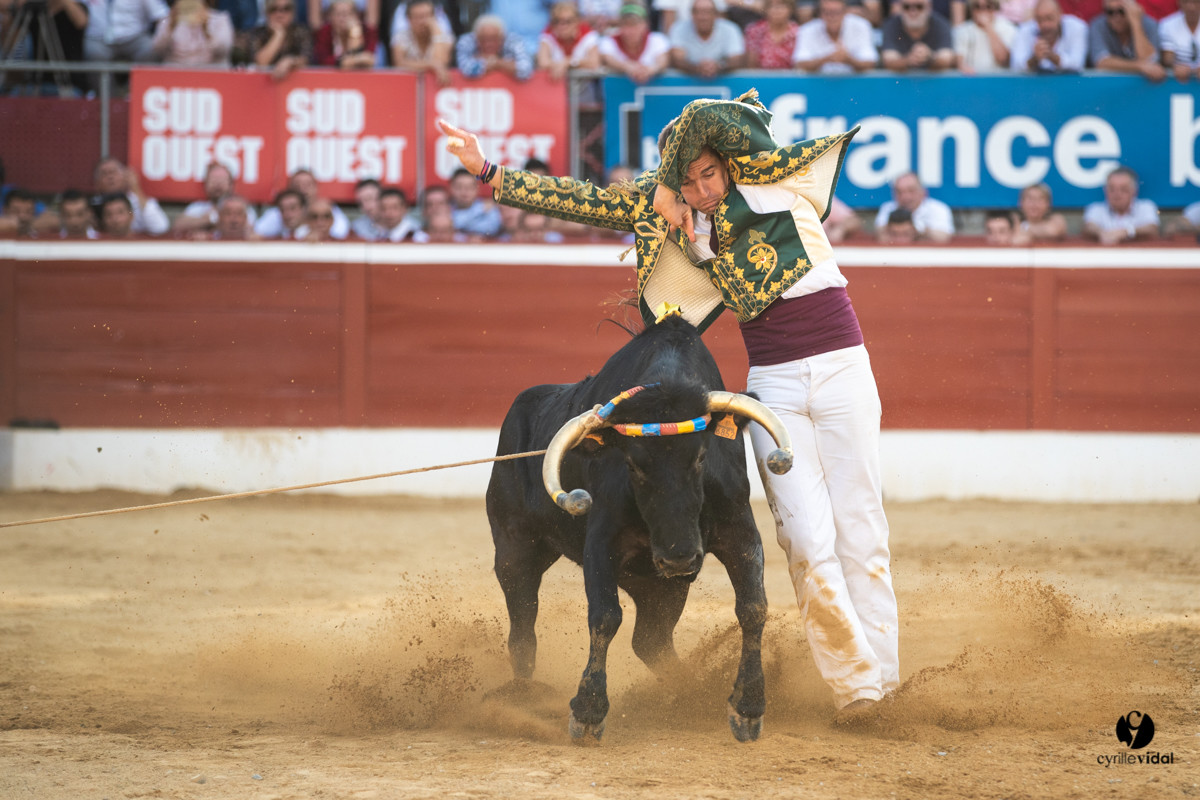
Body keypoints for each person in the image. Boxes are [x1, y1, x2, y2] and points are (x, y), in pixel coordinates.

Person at [438, 88, 900, 722]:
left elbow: (711, 116)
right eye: (690, 181)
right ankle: (860, 691)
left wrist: (664, 181)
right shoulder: (671, 215)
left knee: (863, 529)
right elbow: (581, 199)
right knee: (805, 541)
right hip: (773, 385)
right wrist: (489, 172)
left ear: (726, 163)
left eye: (707, 174)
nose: (703, 190)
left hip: (846, 368)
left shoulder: (776, 179)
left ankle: (887, 674)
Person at [254, 169, 350, 239]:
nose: (303, 189)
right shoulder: (280, 212)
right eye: (297, 185)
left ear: (316, 187)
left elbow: (340, 234)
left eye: (308, 185)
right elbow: (257, 233)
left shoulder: (328, 210)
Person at [1081, 165, 1160, 244]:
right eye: (1112, 189)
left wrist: (1127, 232)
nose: (1117, 194)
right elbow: (1088, 227)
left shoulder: (1146, 207)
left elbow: (1152, 229)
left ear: (1134, 191)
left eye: (1123, 189)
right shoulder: (1096, 208)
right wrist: (1101, 233)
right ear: (1105, 190)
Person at [173, 162, 257, 236]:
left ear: (231, 184)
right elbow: (178, 226)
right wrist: (209, 218)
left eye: (222, 181)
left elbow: (247, 229)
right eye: (213, 181)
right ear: (205, 184)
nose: (217, 185)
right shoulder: (197, 207)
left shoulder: (242, 207)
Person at [92, 157, 169, 237]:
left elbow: (160, 227)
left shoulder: (137, 200)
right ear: (96, 182)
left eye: (114, 172)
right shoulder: (93, 204)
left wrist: (136, 189)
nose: (110, 177)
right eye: (104, 174)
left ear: (125, 176)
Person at [794, 0, 878, 72]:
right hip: (817, 87)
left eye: (836, 12)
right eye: (827, 12)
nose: (832, 17)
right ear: (819, 13)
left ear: (845, 12)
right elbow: (800, 63)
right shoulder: (807, 29)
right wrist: (828, 58)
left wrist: (848, 59)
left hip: (855, 86)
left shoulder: (861, 26)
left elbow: (870, 62)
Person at [596, 1, 671, 83]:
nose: (630, 31)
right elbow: (608, 59)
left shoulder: (657, 39)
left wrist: (651, 69)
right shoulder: (608, 41)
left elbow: (663, 60)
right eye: (625, 24)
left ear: (645, 24)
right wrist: (628, 67)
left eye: (634, 24)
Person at [1088, 0, 1165, 79]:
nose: (1116, 17)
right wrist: (1139, 66)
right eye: (1110, 12)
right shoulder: (1098, 25)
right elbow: (1101, 62)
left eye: (1122, 11)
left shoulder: (1149, 24)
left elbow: (1150, 61)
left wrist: (1136, 23)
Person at [668, 0, 746, 76]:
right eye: (698, 12)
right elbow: (677, 59)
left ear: (716, 15)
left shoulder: (730, 29)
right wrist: (697, 68)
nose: (703, 17)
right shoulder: (679, 29)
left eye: (707, 12)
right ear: (692, 14)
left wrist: (719, 67)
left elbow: (737, 59)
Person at [873, 171, 955, 242]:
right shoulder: (888, 208)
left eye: (911, 191)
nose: (905, 197)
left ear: (923, 192)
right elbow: (880, 234)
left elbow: (943, 237)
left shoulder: (938, 209)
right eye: (899, 192)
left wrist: (917, 230)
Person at [239, 0, 312, 79]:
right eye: (273, 9)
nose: (280, 14)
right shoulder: (257, 33)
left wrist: (290, 61)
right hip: (259, 85)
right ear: (266, 13)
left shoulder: (302, 32)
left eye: (286, 9)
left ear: (293, 13)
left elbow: (305, 59)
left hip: (298, 85)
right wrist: (278, 35)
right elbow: (261, 63)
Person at [82, 0, 168, 65]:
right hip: (99, 38)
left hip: (135, 37)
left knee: (150, 48)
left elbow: (162, 15)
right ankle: (104, 89)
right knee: (93, 52)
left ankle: (135, 87)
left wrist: (160, 37)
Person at [1009, 0, 1088, 70]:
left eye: (1049, 18)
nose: (1045, 25)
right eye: (1040, 20)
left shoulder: (1077, 27)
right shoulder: (1025, 30)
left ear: (1060, 15)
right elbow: (1016, 66)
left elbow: (1078, 63)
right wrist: (1034, 60)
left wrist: (1052, 56)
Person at [880, 0, 957, 70]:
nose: (913, 12)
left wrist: (930, 57)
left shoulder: (941, 24)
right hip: (899, 84)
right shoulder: (891, 25)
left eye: (919, 7)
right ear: (900, 8)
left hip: (934, 83)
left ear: (929, 7)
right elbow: (888, 61)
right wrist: (908, 60)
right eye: (906, 7)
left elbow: (947, 60)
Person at [151, 0, 235, 64]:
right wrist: (171, 26)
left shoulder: (220, 19)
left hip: (210, 73)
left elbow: (223, 50)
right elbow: (158, 50)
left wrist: (205, 29)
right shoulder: (168, 20)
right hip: (176, 73)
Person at [390, 0, 453, 83]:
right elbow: (399, 63)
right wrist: (430, 65)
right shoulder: (400, 37)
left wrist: (436, 31)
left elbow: (442, 62)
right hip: (406, 86)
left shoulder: (444, 36)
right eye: (418, 17)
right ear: (408, 19)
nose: (422, 21)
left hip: (435, 87)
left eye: (427, 16)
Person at [455, 14, 535, 80]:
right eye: (483, 40)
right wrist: (507, 64)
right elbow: (466, 69)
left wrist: (497, 62)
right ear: (477, 38)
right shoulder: (466, 41)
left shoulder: (514, 41)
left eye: (493, 39)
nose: (488, 44)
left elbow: (525, 70)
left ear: (502, 38)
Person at [537, 0, 601, 80]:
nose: (562, 26)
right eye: (556, 21)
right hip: (557, 86)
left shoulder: (587, 33)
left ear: (577, 21)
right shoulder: (548, 33)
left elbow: (594, 62)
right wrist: (572, 63)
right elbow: (543, 62)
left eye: (567, 21)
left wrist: (567, 62)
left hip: (584, 86)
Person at [954, 0, 1018, 72]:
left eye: (988, 6)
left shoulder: (1008, 28)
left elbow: (1003, 59)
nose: (982, 10)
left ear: (994, 7)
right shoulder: (962, 30)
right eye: (977, 6)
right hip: (972, 79)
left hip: (1000, 79)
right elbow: (959, 63)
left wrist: (988, 27)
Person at [314, 0, 377, 68]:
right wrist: (341, 62)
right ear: (330, 16)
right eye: (338, 14)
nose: (342, 19)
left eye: (347, 14)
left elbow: (368, 58)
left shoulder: (367, 31)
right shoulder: (324, 31)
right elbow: (323, 59)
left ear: (356, 16)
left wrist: (355, 33)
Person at [448, 167, 502, 239]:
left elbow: (492, 228)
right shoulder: (445, 208)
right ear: (451, 188)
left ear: (477, 189)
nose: (464, 192)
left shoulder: (490, 209)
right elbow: (453, 224)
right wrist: (480, 210)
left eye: (469, 187)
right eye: (459, 187)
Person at [743, 0, 799, 69]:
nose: (777, 11)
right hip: (760, 77)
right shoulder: (755, 31)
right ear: (766, 9)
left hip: (791, 77)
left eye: (782, 6)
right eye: (772, 6)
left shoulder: (798, 32)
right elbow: (750, 65)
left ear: (791, 9)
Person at [1160, 0, 1200, 80]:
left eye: (1196, 2)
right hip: (1177, 79)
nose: (1191, 7)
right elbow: (1167, 57)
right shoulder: (1167, 24)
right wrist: (1175, 66)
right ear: (1179, 3)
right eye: (1186, 2)